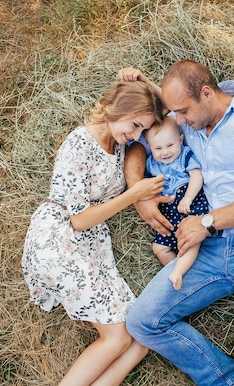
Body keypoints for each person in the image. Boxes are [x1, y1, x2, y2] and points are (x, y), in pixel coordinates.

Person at [120, 61, 234, 386]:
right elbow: (136, 144)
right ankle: (232, 381)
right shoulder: (186, 122)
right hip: (211, 250)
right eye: (174, 113)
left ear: (206, 94)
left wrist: (206, 221)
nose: (179, 120)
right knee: (143, 321)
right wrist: (138, 193)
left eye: (183, 112)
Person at [21, 80, 165, 386]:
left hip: (91, 248)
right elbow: (79, 220)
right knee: (116, 338)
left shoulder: (120, 142)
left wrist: (140, 79)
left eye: (142, 129)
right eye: (135, 125)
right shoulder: (79, 143)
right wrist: (134, 194)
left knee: (140, 337)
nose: (137, 134)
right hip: (58, 237)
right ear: (119, 109)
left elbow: (166, 117)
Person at [145, 116, 209, 290]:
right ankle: (179, 272)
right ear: (150, 148)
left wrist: (188, 198)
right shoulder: (151, 164)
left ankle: (179, 271)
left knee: (189, 239)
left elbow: (197, 176)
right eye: (158, 148)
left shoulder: (185, 155)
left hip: (189, 204)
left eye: (170, 145)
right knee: (159, 247)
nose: (165, 152)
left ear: (180, 140)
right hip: (168, 210)